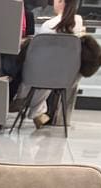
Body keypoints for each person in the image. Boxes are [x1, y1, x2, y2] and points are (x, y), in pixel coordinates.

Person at [25, 0, 84, 128]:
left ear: (61, 1)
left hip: (43, 76)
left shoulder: (48, 25)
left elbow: (38, 55)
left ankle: (30, 108)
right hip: (69, 77)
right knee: (52, 69)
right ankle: (38, 113)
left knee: (32, 69)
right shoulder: (78, 21)